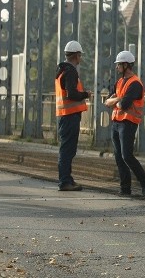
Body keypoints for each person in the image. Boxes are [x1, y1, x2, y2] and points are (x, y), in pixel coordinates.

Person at [104, 50, 145, 197]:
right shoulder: (119, 82)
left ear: (126, 65)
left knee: (127, 156)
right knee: (119, 157)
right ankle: (125, 189)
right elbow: (106, 101)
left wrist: (116, 99)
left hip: (128, 123)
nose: (117, 67)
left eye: (119, 65)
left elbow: (124, 105)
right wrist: (118, 99)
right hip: (116, 122)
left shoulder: (135, 83)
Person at [55, 40, 90, 191]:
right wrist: (85, 94)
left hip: (65, 116)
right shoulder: (71, 71)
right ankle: (64, 182)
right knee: (67, 150)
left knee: (67, 149)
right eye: (80, 55)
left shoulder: (62, 70)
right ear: (76, 55)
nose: (80, 58)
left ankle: (67, 179)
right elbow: (72, 94)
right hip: (69, 116)